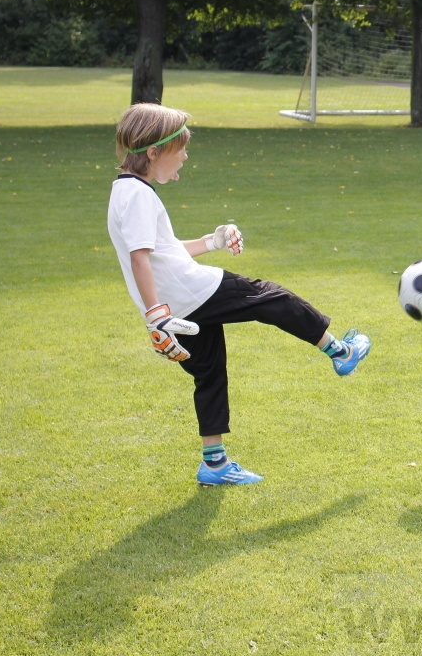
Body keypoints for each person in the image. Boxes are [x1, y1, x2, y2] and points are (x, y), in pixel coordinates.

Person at [107, 103, 370, 485]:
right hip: (192, 292)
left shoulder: (126, 192)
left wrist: (210, 241)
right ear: (153, 153)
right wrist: (156, 315)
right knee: (272, 298)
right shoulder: (138, 196)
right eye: (180, 148)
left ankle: (213, 463)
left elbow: (160, 250)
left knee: (209, 372)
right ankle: (340, 352)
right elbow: (139, 259)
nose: (185, 155)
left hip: (179, 305)